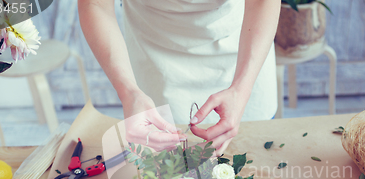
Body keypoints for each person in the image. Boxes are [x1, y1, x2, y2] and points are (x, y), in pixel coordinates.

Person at [78, 0, 280, 155]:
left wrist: (241, 89)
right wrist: (129, 93)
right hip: (154, 58)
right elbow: (95, 4)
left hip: (241, 52)